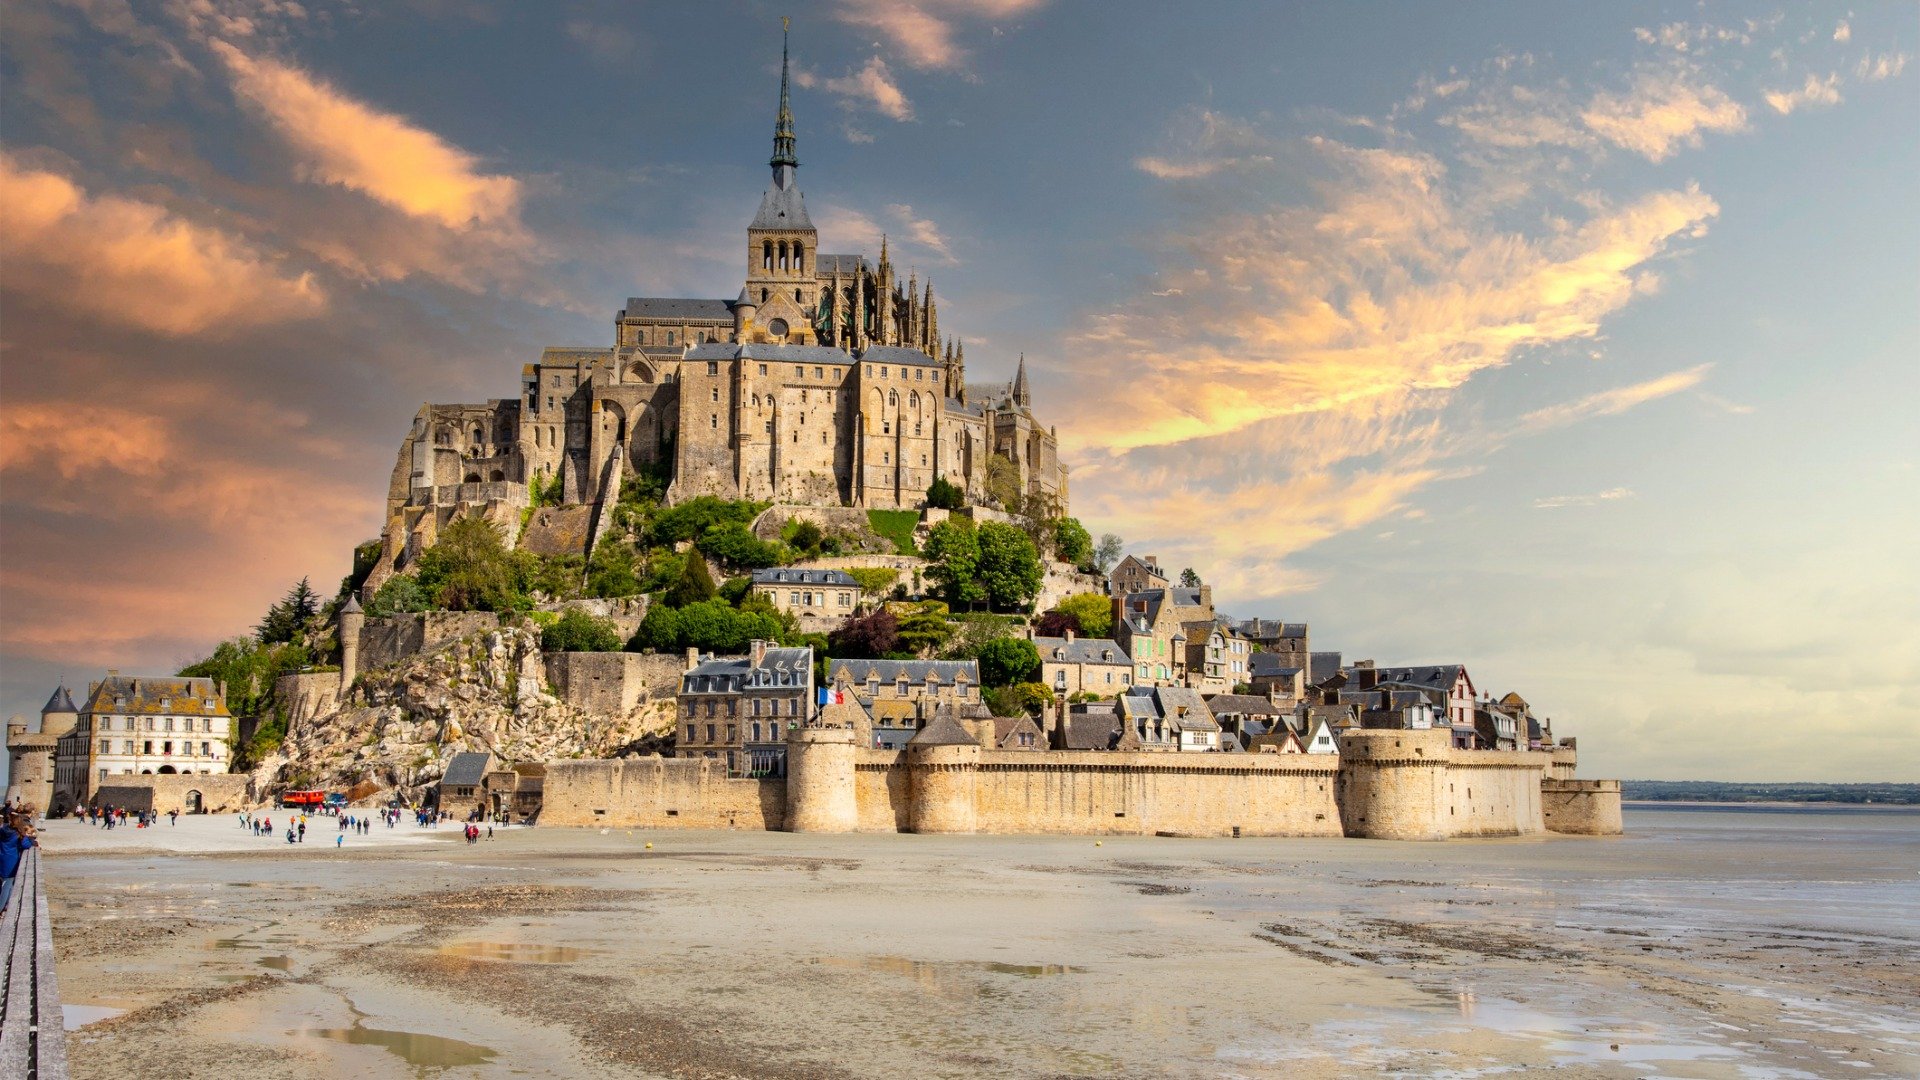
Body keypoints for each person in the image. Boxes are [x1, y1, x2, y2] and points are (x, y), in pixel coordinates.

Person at [0, 813, 37, 914]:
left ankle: (7, 905)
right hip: (11, 862)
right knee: (6, 886)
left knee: (7, 885)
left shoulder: (2, 830)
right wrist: (32, 840)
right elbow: (26, 845)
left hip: (2, 857)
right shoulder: (18, 833)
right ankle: (1, 908)